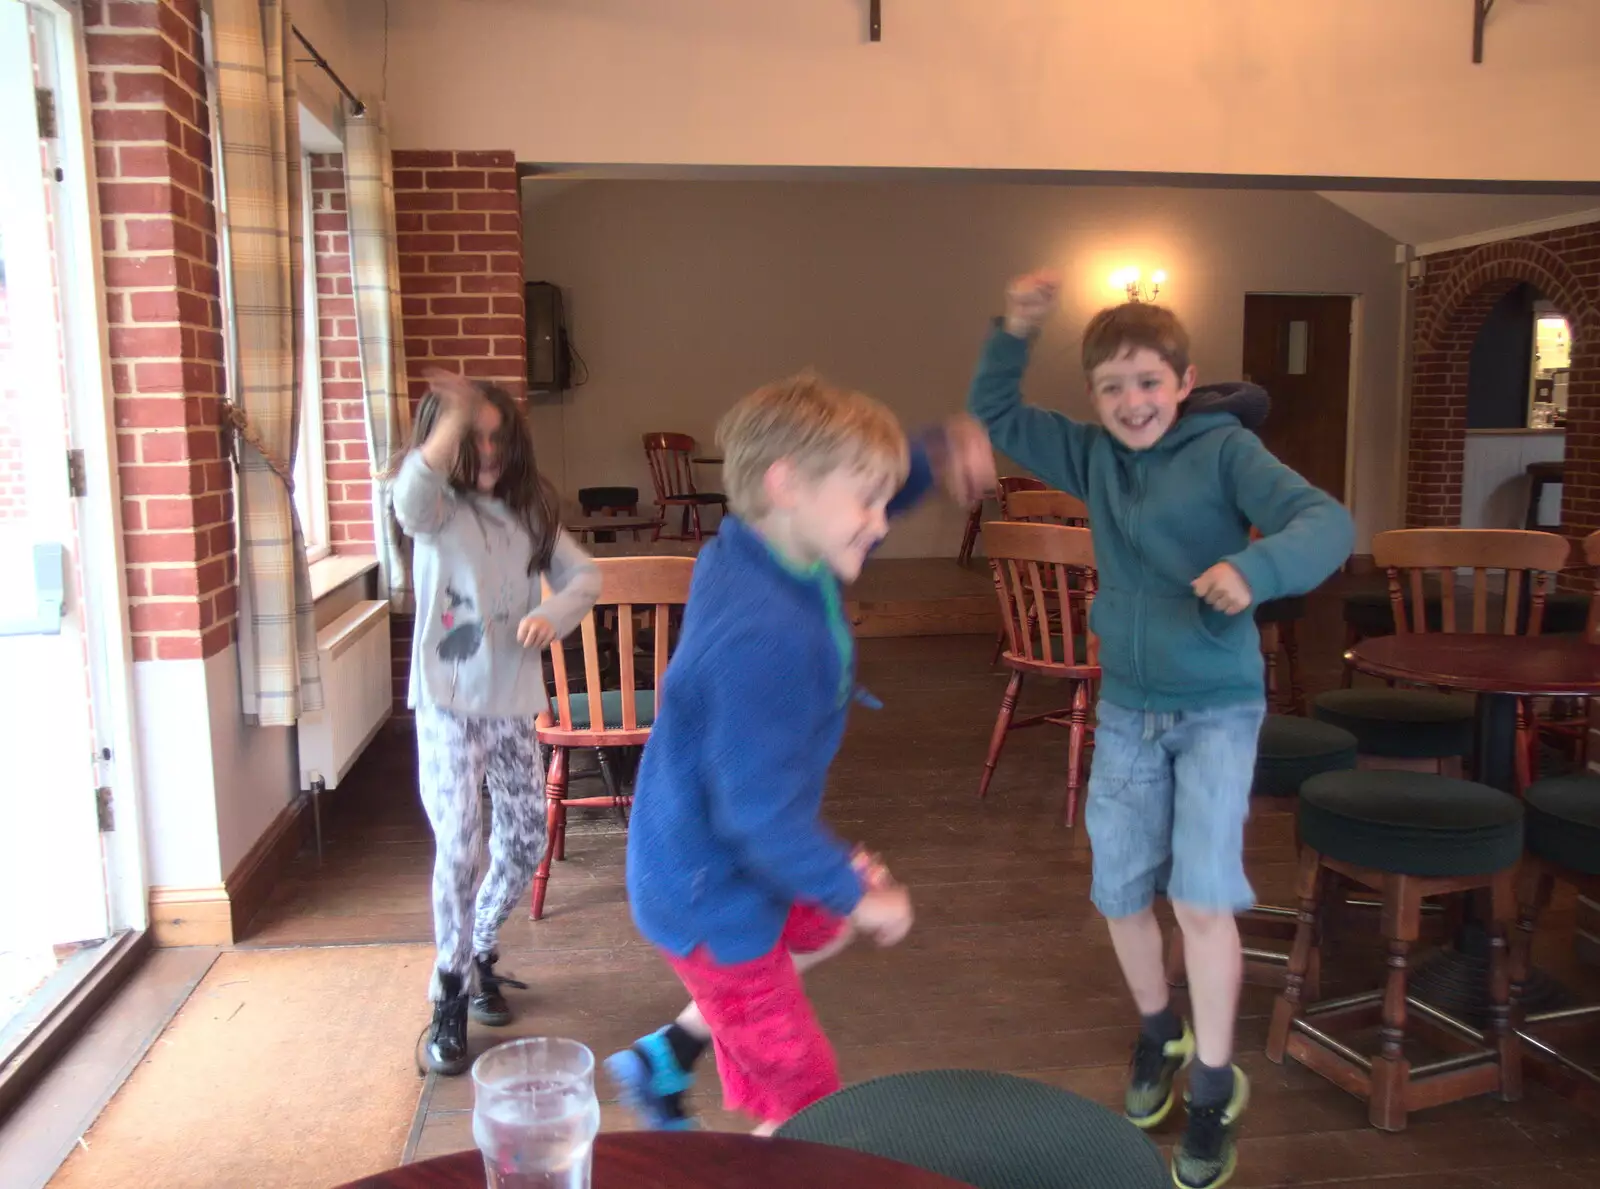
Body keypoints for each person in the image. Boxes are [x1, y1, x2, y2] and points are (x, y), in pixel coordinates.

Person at [968, 272, 1353, 1189]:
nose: (1131, 401)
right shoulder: (1092, 454)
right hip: (1129, 707)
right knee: (1118, 889)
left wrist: (1254, 569)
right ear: (1095, 398)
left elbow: (1327, 521)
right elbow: (995, 408)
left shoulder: (1225, 450)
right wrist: (1014, 327)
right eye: (1111, 387)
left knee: (1203, 896)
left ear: (1181, 382)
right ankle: (1159, 1031)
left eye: (1148, 381)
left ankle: (1216, 1084)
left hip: (1218, 706)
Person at [608, 374, 996, 1134]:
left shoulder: (754, 545)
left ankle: (667, 1053)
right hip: (709, 891)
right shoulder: (769, 637)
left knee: (827, 916)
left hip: (697, 854)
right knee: (811, 1102)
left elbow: (840, 487)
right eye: (868, 502)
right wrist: (860, 893)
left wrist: (930, 453)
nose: (881, 523)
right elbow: (755, 814)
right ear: (786, 486)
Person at [394, 368, 601, 1076]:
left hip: (513, 706)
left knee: (524, 837)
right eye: (468, 437)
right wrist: (453, 418)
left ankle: (481, 944)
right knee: (459, 846)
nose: (485, 449)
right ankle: (448, 990)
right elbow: (409, 495)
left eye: (495, 436)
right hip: (449, 706)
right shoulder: (435, 509)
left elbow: (585, 578)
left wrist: (553, 614)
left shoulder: (532, 513)